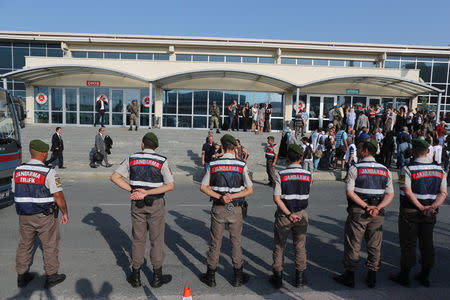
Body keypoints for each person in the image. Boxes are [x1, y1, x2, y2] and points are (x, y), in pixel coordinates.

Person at [110, 132, 174, 288]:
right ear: (156, 146)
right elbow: (170, 185)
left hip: (137, 203)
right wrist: (149, 192)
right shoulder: (161, 161)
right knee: (156, 240)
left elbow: (115, 177)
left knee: (138, 239)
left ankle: (136, 276)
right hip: (156, 203)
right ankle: (157, 277)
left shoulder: (132, 158)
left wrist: (133, 190)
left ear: (143, 144)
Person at [334, 138, 394, 288]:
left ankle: (349, 276)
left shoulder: (356, 168)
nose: (358, 151)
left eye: (360, 149)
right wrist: (377, 207)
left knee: (353, 243)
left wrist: (366, 207)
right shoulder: (385, 170)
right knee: (375, 244)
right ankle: (372, 276)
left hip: (359, 211)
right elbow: (390, 195)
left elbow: (350, 192)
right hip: (377, 213)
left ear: (366, 151)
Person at [390, 139, 447, 287]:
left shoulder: (407, 169)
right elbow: (443, 193)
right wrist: (432, 207)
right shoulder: (439, 170)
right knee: (427, 244)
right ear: (428, 151)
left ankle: (405, 276)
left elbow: (407, 191)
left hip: (410, 212)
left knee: (408, 243)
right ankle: (425, 275)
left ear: (413, 151)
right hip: (430, 213)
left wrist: (421, 207)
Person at [199, 134, 253, 287]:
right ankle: (238, 277)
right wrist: (233, 196)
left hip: (218, 207)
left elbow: (203, 187)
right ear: (235, 147)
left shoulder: (213, 164)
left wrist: (221, 197)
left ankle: (210, 277)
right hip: (235, 208)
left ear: (222, 147)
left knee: (215, 242)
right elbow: (249, 190)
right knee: (236, 242)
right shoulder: (242, 164)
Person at [13, 140, 68, 289]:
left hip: (24, 215)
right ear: (44, 154)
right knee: (50, 245)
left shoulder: (18, 170)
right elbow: (58, 197)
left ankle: (22, 276)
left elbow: (15, 191)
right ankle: (51, 276)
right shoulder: (48, 172)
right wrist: (64, 212)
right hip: (44, 216)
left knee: (24, 244)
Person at [269, 144, 311, 289]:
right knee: (300, 246)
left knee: (279, 246)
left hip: (284, 214)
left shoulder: (281, 175)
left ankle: (278, 277)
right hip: (302, 214)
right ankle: (300, 278)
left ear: (287, 157)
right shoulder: (308, 174)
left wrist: (288, 214)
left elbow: (277, 198)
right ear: (301, 158)